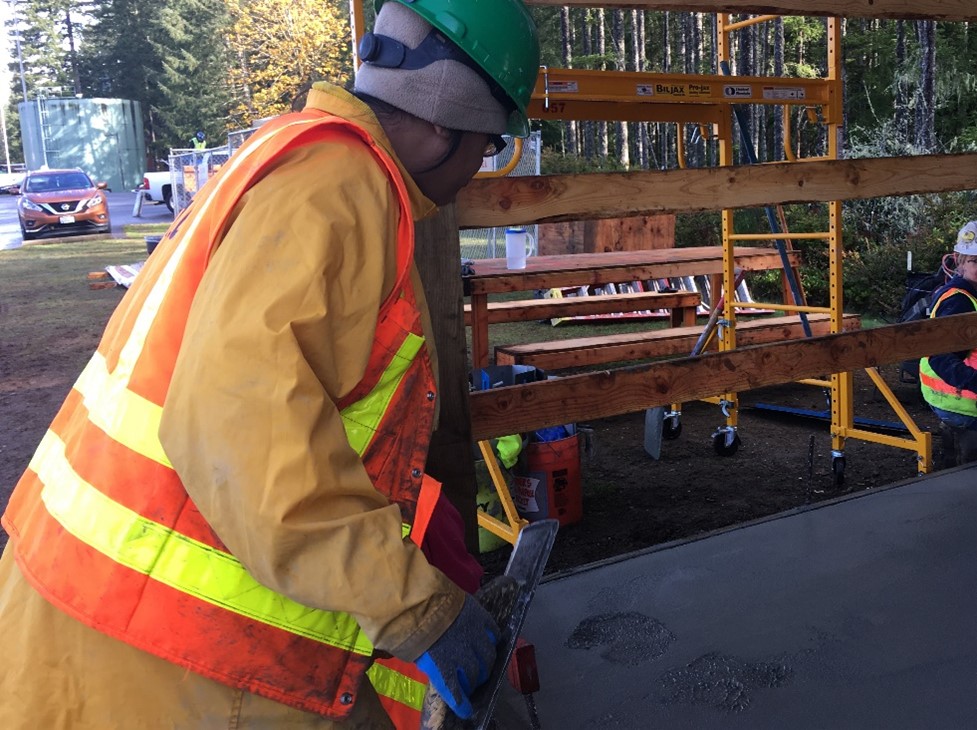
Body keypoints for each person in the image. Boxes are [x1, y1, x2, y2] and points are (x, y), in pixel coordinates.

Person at [0, 1, 540, 728]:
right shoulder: (337, 188)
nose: (480, 167)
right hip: (159, 655)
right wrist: (411, 606)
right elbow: (240, 422)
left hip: (107, 611)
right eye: (486, 143)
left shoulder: (301, 158)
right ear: (444, 120)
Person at [919, 220, 977, 467]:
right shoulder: (958, 302)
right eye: (976, 261)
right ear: (958, 260)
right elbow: (940, 356)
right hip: (962, 404)